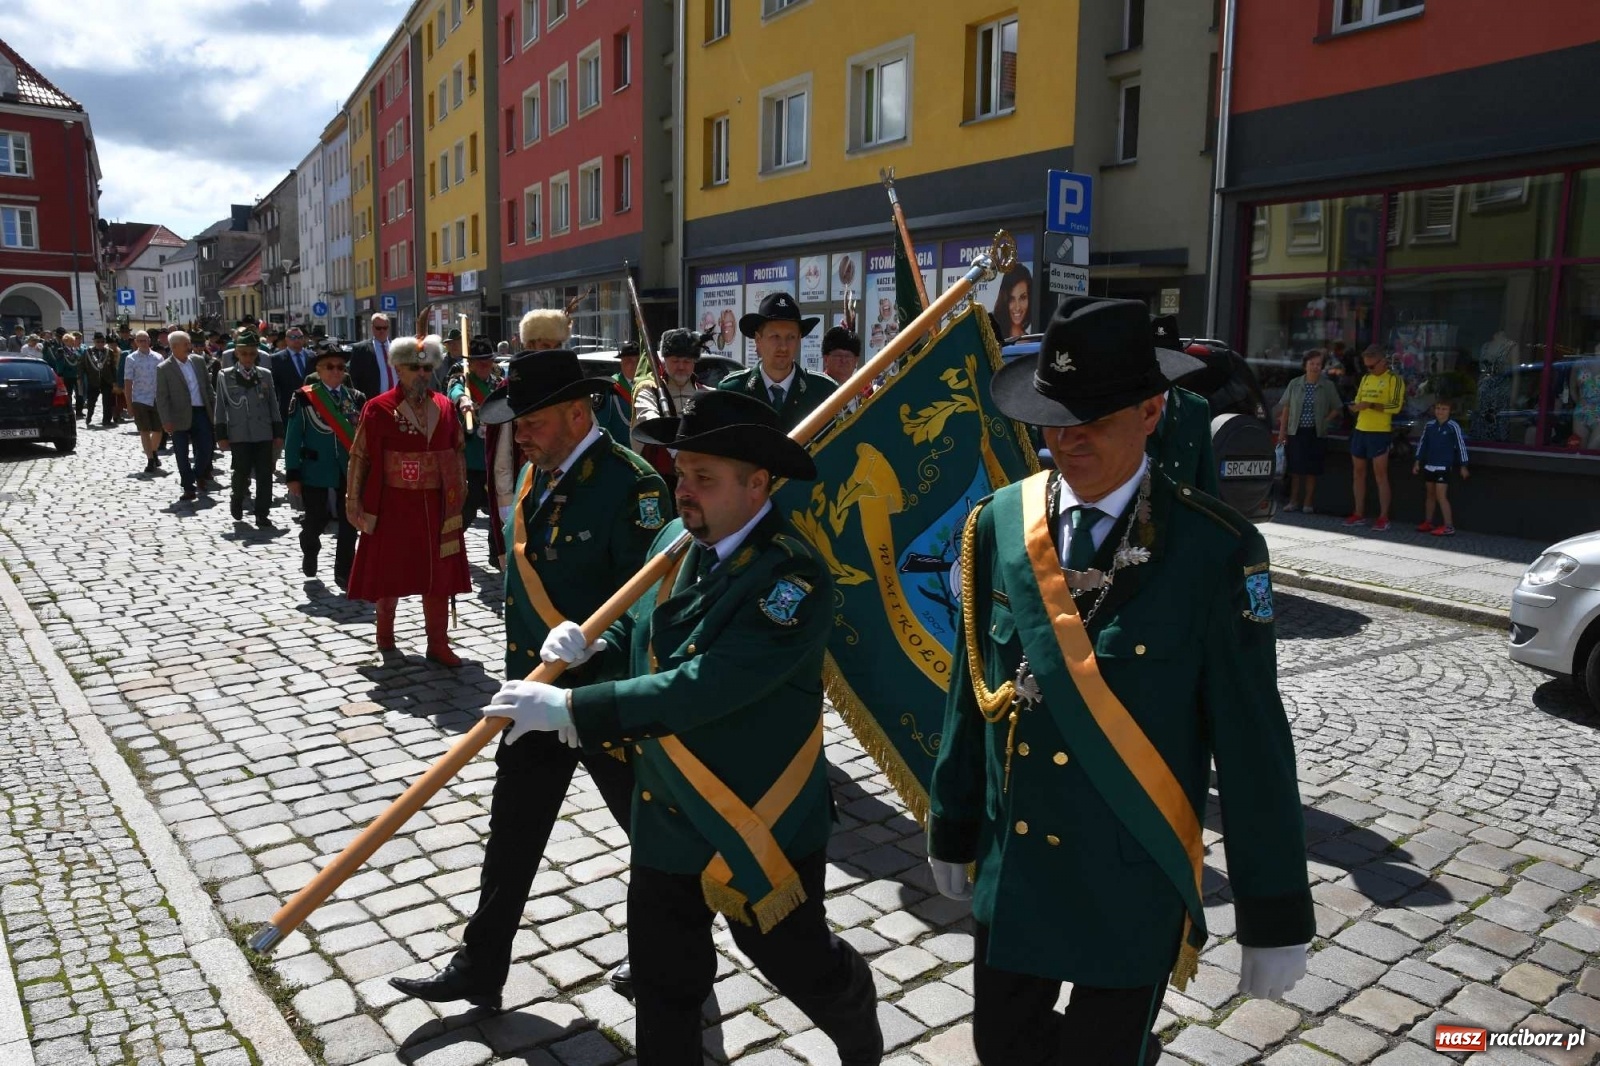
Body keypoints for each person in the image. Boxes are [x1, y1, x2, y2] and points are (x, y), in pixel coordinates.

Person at [927, 296, 1313, 1066]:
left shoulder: (1214, 551)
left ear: (1150, 410)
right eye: (1054, 415)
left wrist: (1273, 913)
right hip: (1022, 865)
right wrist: (952, 821)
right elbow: (972, 695)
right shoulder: (999, 524)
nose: (1068, 440)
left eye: (1095, 417)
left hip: (1130, 873)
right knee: (1001, 1048)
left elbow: (1252, 741)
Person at [491, 389, 883, 1066]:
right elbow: (646, 638)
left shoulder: (791, 576)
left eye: (705, 478)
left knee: (791, 960)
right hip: (668, 809)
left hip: (756, 817)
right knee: (666, 984)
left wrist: (574, 710)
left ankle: (851, 1004)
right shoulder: (675, 542)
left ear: (758, 485)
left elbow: (707, 685)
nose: (685, 491)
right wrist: (591, 651)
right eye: (680, 473)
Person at [390, 349, 668, 1012]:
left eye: (532, 420)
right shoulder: (539, 475)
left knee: (656, 837)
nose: (519, 433)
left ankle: (677, 958)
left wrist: (597, 639)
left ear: (579, 412)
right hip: (534, 696)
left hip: (599, 700)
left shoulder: (634, 485)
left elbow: (650, 598)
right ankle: (480, 966)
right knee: (511, 833)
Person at [344, 335, 471, 665]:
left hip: (436, 505)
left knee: (438, 576)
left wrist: (460, 494)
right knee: (390, 574)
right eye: (415, 368)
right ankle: (385, 635)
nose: (422, 374)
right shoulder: (379, 408)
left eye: (427, 368)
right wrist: (354, 500)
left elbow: (457, 451)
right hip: (394, 505)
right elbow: (361, 456)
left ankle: (438, 643)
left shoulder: (443, 406)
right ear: (399, 368)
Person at [489, 309, 573, 556]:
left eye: (554, 346)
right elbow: (502, 455)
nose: (549, 352)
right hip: (527, 489)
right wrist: (506, 503)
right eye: (544, 345)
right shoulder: (513, 389)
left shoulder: (570, 386)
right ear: (530, 345)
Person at [285, 343, 367, 585]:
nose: (335, 371)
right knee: (315, 521)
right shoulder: (304, 398)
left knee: (350, 523)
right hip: (315, 471)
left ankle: (344, 572)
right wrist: (293, 475)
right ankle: (310, 549)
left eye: (341, 367)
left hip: (347, 472)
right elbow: (292, 439)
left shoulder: (356, 398)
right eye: (329, 367)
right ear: (318, 370)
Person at [717, 292, 836, 431]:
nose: (783, 346)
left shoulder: (823, 391)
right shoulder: (732, 391)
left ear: (799, 340)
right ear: (758, 339)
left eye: (791, 337)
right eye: (775, 337)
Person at [214, 330, 284, 528]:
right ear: (237, 353)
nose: (248, 358)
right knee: (241, 470)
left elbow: (273, 404)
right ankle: (237, 496)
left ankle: (262, 512)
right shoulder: (225, 376)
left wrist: (278, 432)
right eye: (244, 353)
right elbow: (221, 407)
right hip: (239, 432)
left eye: (252, 353)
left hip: (263, 431)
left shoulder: (265, 375)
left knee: (265, 474)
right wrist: (221, 434)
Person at [631, 328, 713, 484]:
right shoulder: (650, 390)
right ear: (665, 360)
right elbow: (647, 417)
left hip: (696, 479)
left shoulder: (706, 394)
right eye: (675, 361)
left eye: (687, 361)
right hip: (658, 478)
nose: (681, 367)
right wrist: (671, 443)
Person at [1147, 316, 1218, 494]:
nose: (1163, 366)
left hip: (1180, 518)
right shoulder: (1125, 407)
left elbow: (1207, 482)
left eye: (1169, 358)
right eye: (1156, 359)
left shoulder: (1196, 407)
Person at [1273, 350, 1343, 514]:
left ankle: (1308, 503)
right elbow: (1286, 409)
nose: (1315, 367)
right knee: (1295, 470)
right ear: (1305, 365)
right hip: (1296, 431)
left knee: (1312, 470)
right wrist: (1282, 434)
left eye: (1318, 364)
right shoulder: (1295, 384)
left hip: (1316, 433)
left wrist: (1326, 420)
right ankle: (1293, 501)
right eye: (1312, 363)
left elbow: (1338, 407)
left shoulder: (1327, 385)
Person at [1344, 345, 1405, 531]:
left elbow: (1395, 407)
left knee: (1380, 475)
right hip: (1361, 429)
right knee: (1358, 473)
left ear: (1383, 361)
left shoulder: (1394, 380)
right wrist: (1354, 407)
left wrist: (1370, 405)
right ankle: (1358, 513)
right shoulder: (1366, 378)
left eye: (1372, 366)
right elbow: (1358, 399)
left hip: (1379, 432)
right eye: (1366, 367)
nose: (1369, 370)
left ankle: (1383, 516)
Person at [445, 343, 503, 536]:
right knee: (466, 509)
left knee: (498, 511)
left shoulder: (498, 383)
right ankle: (453, 548)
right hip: (470, 457)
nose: (483, 367)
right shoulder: (462, 380)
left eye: (487, 362)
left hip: (495, 456)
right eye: (478, 363)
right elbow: (455, 391)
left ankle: (497, 554)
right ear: (471, 364)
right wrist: (463, 399)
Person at [154, 331, 218, 504]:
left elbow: (207, 387)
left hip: (201, 412)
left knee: (206, 447)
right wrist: (165, 420)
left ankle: (197, 474)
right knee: (181, 454)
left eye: (189, 343)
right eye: (185, 344)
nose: (189, 347)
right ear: (174, 347)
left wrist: (214, 408)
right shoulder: (164, 368)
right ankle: (188, 488)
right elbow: (161, 397)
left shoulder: (198, 361)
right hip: (177, 416)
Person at [1413, 400, 1470, 536]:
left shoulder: (1453, 426)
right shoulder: (1429, 425)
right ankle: (1428, 522)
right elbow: (1423, 444)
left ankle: (1449, 526)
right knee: (1430, 494)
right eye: (1438, 408)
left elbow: (1460, 446)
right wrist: (1417, 461)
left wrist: (1464, 465)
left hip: (1443, 466)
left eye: (1444, 409)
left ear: (1450, 411)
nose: (1440, 411)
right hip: (1429, 465)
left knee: (1441, 495)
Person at [122, 331, 165, 474]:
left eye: (145, 340)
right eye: (139, 341)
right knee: (144, 430)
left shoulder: (158, 357)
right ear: (135, 342)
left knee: (159, 430)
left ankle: (153, 451)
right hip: (139, 399)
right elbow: (128, 382)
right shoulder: (131, 359)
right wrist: (129, 404)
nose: (142, 343)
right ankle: (150, 460)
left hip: (156, 398)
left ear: (149, 341)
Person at [594, 340, 639, 443]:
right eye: (629, 361)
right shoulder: (609, 388)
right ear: (622, 363)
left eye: (638, 361)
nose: (634, 365)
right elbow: (601, 425)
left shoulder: (650, 386)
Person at [348, 313, 396, 399]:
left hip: (397, 400)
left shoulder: (397, 347)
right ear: (372, 328)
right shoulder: (360, 349)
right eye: (378, 328)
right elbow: (353, 378)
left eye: (385, 328)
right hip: (372, 400)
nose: (382, 331)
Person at [271, 327, 315, 421]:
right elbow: (273, 386)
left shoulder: (312, 356)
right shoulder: (276, 359)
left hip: (312, 408)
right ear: (286, 340)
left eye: (300, 337)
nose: (297, 340)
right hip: (287, 409)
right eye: (293, 337)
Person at [989, 263, 1034, 341]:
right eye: (1011, 299)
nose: (1017, 307)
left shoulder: (1036, 340)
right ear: (1004, 300)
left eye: (1022, 298)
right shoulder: (992, 338)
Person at [820, 326, 868, 395]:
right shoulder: (815, 388)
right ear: (826, 359)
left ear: (856, 360)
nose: (843, 360)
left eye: (848, 356)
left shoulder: (865, 391)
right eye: (838, 355)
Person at [80, 333, 115, 428]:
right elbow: (82, 365)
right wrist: (80, 377)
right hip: (93, 380)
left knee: (107, 401)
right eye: (98, 342)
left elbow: (113, 367)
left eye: (102, 342)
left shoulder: (109, 352)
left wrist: (114, 380)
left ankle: (107, 420)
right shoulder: (88, 352)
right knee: (91, 401)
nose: (100, 343)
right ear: (94, 342)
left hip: (106, 380)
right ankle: (89, 416)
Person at [431, 327, 464, 393]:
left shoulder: (468, 362)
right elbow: (432, 385)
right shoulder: (439, 361)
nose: (454, 346)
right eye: (450, 343)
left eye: (457, 343)